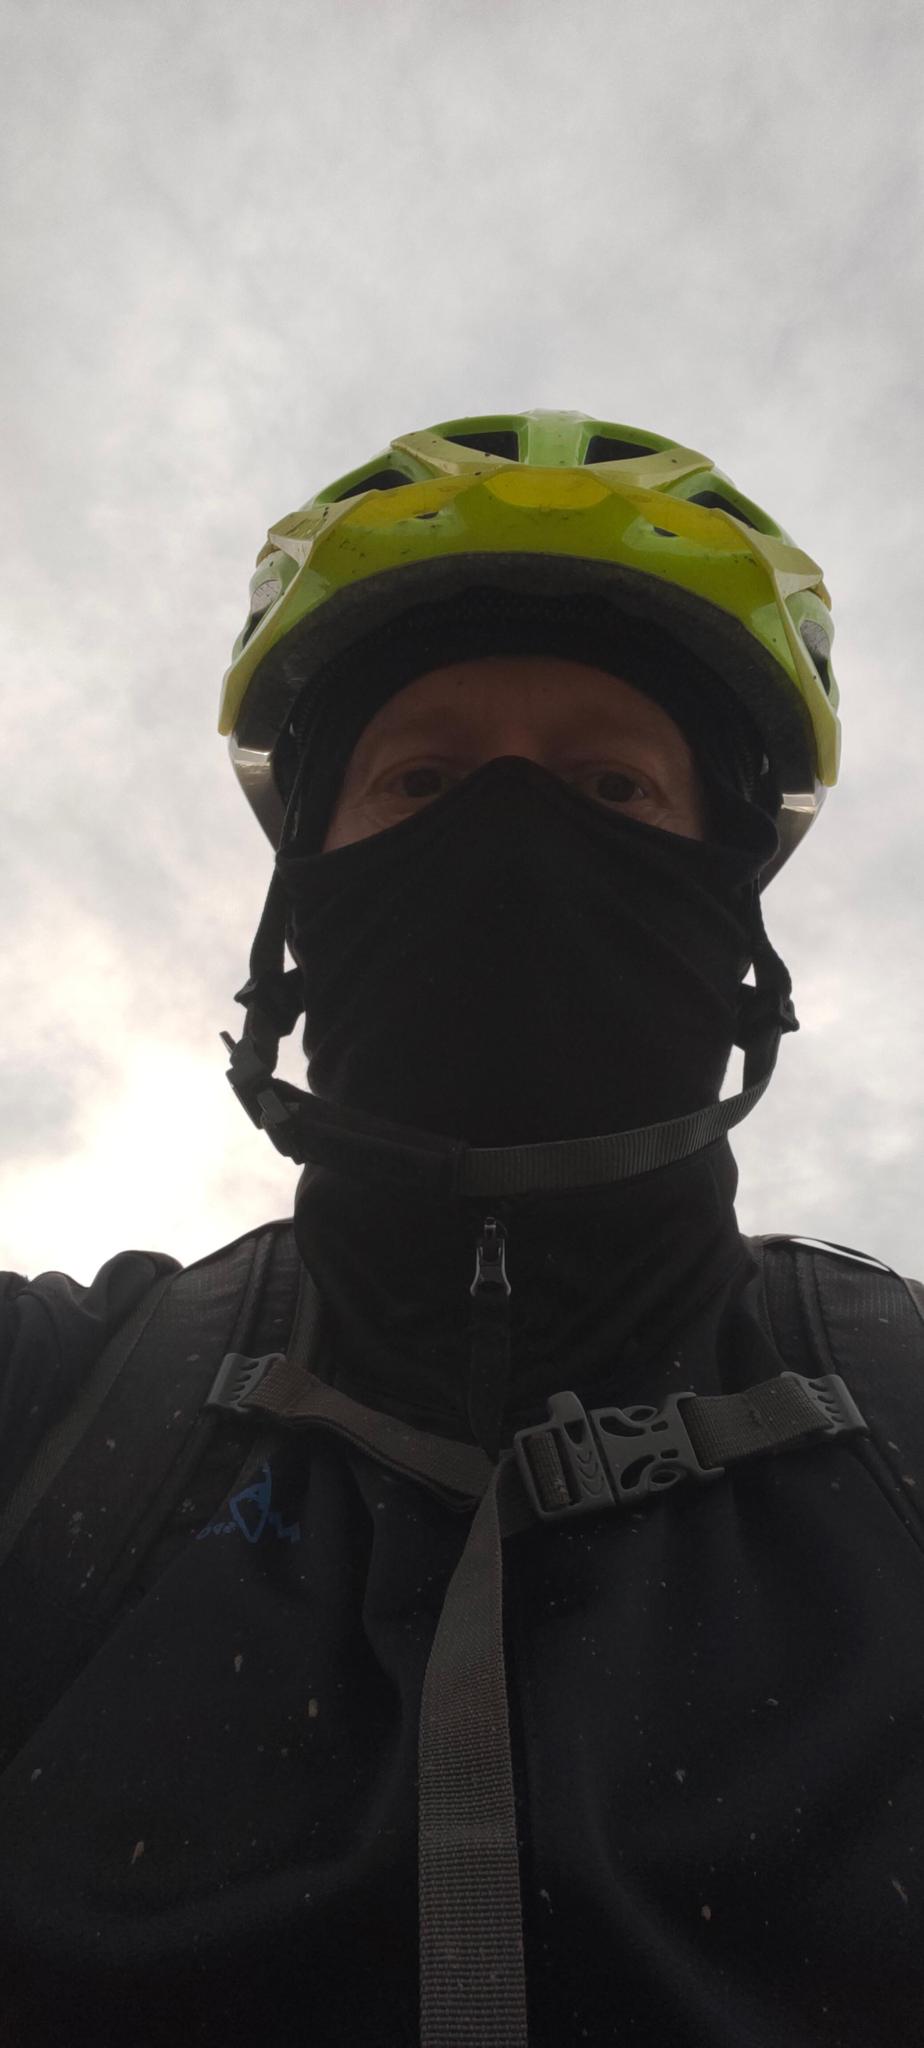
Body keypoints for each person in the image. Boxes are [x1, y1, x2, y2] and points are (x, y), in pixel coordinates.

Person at [1, 409, 923, 2048]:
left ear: (734, 923)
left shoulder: (903, 1414)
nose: (511, 838)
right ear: (301, 908)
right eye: (421, 779)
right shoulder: (68, 1409)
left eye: (611, 786)